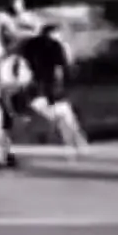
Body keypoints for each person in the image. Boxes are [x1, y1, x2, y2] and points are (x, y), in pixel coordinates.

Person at [17, 23, 89, 156]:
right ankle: (77, 143)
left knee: (54, 114)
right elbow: (62, 67)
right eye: (58, 33)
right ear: (53, 33)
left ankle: (72, 142)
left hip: (34, 86)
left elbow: (22, 64)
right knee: (64, 114)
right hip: (51, 86)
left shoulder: (28, 45)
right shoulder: (55, 45)